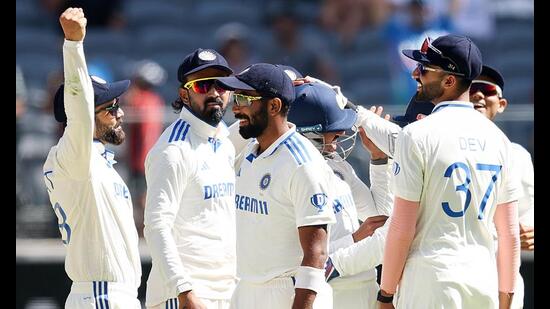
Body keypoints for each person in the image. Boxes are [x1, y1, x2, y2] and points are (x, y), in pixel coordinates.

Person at [379, 35, 520, 308]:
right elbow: (509, 233)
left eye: (424, 69)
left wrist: (385, 294)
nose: (415, 73)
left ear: (449, 81)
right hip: (483, 280)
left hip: (430, 280)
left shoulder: (417, 135)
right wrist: (506, 298)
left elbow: (401, 227)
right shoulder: (500, 140)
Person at [215, 63, 337, 309]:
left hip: (288, 294)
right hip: (247, 289)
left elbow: (316, 252)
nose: (235, 107)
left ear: (274, 106)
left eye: (243, 98)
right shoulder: (249, 150)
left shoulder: (302, 164)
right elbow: (214, 146)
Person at [42, 8, 141, 308]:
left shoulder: (94, 162)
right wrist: (73, 45)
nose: (120, 113)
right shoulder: (73, 157)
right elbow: (80, 113)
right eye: (110, 107)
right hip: (102, 295)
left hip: (112, 294)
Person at [143, 48, 236, 309]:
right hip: (184, 296)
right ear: (184, 94)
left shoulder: (224, 141)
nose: (215, 92)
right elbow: (156, 226)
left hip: (226, 292)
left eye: (221, 84)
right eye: (204, 85)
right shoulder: (173, 150)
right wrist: (184, 289)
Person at [288, 82, 392, 309]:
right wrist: (353, 239)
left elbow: (379, 215)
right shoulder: (289, 176)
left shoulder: (338, 166)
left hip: (366, 287)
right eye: (333, 135)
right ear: (311, 134)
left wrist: (379, 158)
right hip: (332, 296)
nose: (339, 141)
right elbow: (298, 260)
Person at [470, 65, 534, 308]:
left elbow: (528, 217)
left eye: (487, 90)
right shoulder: (437, 146)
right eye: (472, 88)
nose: (478, 95)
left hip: (502, 281)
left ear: (502, 104)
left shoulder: (518, 155)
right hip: (453, 278)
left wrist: (530, 232)